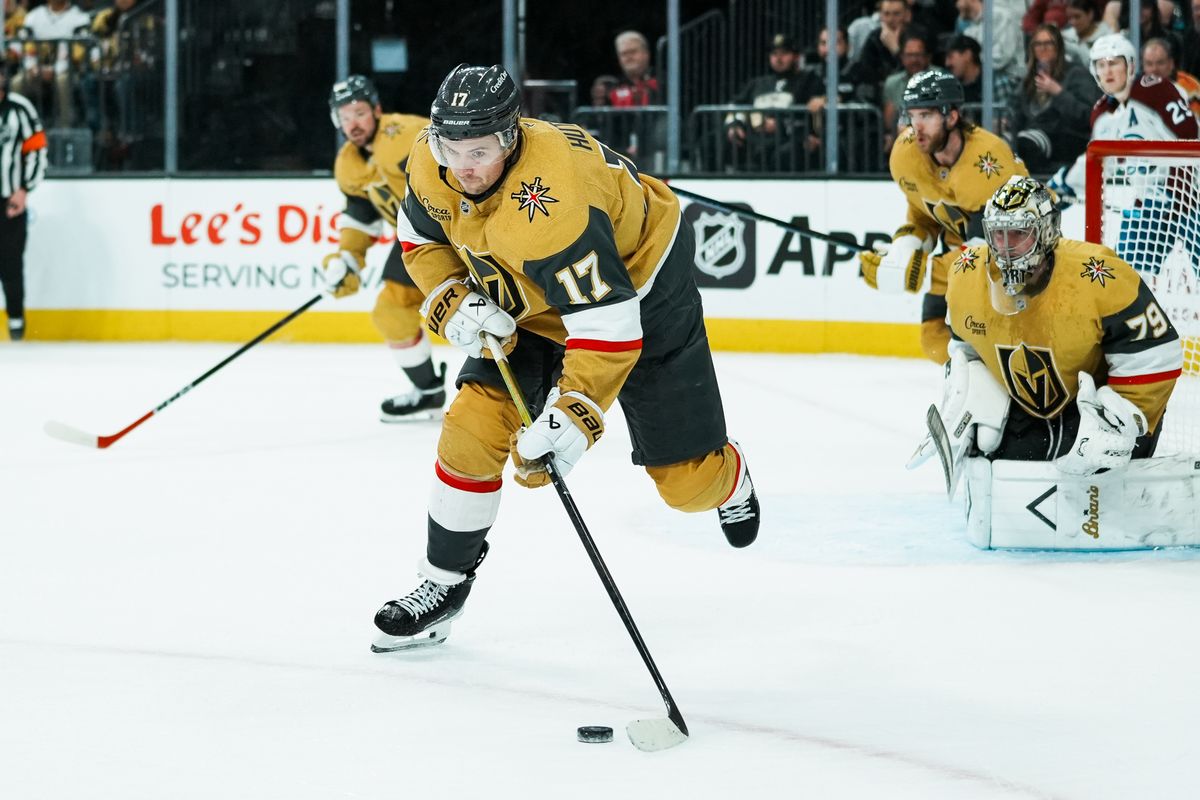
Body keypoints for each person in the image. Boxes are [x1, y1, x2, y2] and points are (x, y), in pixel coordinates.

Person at [371, 64, 760, 651]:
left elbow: (607, 324)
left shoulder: (553, 205)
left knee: (686, 485)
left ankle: (729, 479)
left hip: (642, 292)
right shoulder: (431, 160)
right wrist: (451, 297)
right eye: (452, 148)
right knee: (471, 428)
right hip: (528, 295)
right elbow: (420, 239)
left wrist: (573, 414)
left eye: (478, 150)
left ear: (508, 137)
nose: (463, 166)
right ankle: (441, 584)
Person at [936, 174, 1180, 473]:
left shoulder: (1101, 275)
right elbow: (965, 351)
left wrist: (1127, 415)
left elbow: (1156, 353)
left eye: (1018, 233)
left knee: (1100, 472)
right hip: (1027, 408)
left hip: (1094, 409)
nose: (1006, 247)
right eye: (998, 234)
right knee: (996, 458)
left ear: (1047, 231)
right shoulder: (966, 275)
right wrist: (969, 398)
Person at [858, 70, 1028, 364]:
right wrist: (905, 250)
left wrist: (921, 273)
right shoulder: (906, 155)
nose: (916, 127)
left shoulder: (989, 160)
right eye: (912, 116)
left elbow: (989, 253)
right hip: (959, 258)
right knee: (934, 338)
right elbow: (923, 216)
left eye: (926, 115)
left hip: (1016, 265)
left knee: (992, 344)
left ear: (951, 117)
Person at [321, 75, 446, 421]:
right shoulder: (349, 162)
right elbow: (361, 215)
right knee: (391, 312)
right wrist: (348, 257)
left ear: (376, 110)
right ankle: (428, 391)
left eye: (359, 112)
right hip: (418, 241)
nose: (353, 123)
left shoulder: (403, 134)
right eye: (344, 117)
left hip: (462, 233)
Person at [1052, 34, 1199, 200]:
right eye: (1101, 65)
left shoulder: (1156, 89)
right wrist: (1068, 180)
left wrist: (1180, 191)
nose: (1107, 72)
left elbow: (1190, 134)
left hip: (1185, 198)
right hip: (1145, 204)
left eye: (1114, 63)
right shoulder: (1102, 114)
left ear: (1130, 65)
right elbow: (1100, 163)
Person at [1005, 24, 1100, 174]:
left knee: (1028, 142)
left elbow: (1087, 116)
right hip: (1032, 139)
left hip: (1067, 140)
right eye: (1038, 44)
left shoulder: (1076, 74)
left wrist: (1058, 92)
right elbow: (1018, 116)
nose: (1043, 48)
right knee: (1004, 144)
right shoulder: (1028, 80)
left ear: (1059, 47)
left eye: (1048, 43)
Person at [724, 33, 824, 170]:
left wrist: (782, 126)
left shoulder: (809, 80)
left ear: (796, 56)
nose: (778, 58)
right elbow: (735, 105)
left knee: (785, 154)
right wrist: (735, 125)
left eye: (784, 54)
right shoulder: (758, 83)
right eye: (774, 54)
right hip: (755, 139)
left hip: (790, 140)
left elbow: (815, 112)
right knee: (712, 141)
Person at [0, 71, 46, 341]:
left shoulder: (20, 108)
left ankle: (17, 328)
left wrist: (24, 189)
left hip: (10, 204)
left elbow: (38, 148)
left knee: (10, 266)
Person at [10, 0, 90, 127]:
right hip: (35, 69)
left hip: (67, 71)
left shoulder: (80, 18)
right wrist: (32, 67)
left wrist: (55, 70)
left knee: (62, 80)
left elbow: (78, 51)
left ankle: (66, 129)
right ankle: (17, 127)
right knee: (17, 82)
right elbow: (22, 45)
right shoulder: (33, 16)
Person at [880, 30, 934, 151]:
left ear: (927, 57)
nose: (914, 60)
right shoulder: (892, 83)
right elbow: (889, 123)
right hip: (903, 143)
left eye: (918, 55)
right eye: (909, 55)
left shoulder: (940, 77)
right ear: (902, 57)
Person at [1141, 36, 1200, 117]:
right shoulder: (1136, 90)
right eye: (1149, 64)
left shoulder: (1190, 87)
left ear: (1171, 64)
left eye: (1160, 63)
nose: (1154, 69)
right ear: (1143, 67)